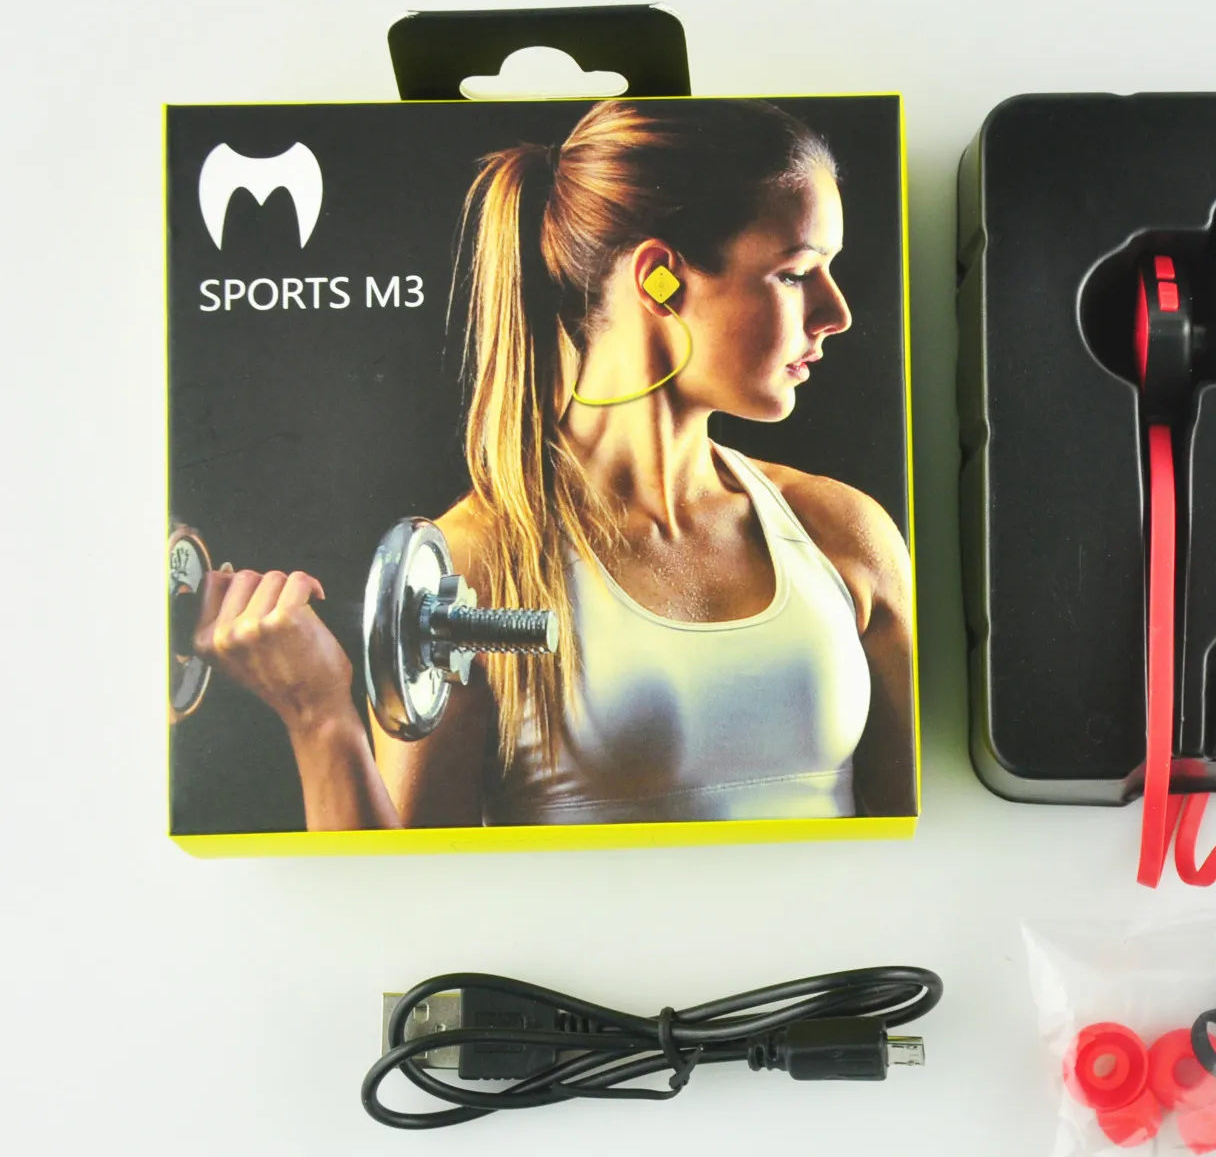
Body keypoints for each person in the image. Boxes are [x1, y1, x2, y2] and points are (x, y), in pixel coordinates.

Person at [194, 99, 915, 828]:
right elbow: (407, 889)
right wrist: (317, 716)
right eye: (796, 273)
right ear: (659, 279)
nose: (837, 312)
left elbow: (926, 830)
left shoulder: (840, 532)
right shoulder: (470, 570)